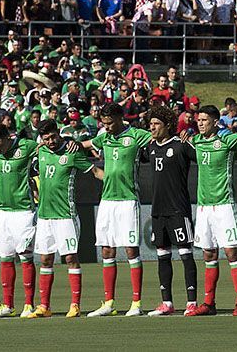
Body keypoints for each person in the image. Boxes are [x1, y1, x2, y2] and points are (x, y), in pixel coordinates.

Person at [80, 103, 152, 317]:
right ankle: (109, 302)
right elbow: (84, 144)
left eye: (110, 123)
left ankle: (136, 302)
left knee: (131, 250)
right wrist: (74, 145)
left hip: (128, 200)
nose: (107, 127)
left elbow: (159, 139)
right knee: (107, 250)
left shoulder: (137, 135)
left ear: (120, 118)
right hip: (107, 200)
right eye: (104, 123)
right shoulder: (104, 137)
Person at [29, 119, 104, 318]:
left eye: (53, 137)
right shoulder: (41, 152)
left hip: (66, 215)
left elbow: (95, 171)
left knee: (70, 258)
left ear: (59, 133)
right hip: (44, 216)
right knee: (45, 259)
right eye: (46, 139)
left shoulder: (72, 153)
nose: (50, 142)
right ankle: (44, 306)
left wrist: (114, 181)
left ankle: (75, 304)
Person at [186, 105, 237, 316]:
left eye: (204, 120)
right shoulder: (196, 141)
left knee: (231, 252)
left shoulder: (227, 140)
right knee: (208, 253)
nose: (200, 123)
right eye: (198, 120)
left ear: (214, 121)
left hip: (225, 205)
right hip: (204, 208)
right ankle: (208, 303)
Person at [141, 106, 199, 317]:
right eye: (151, 124)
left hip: (178, 209)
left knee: (185, 254)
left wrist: (191, 137)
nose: (152, 128)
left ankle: (191, 302)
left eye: (156, 124)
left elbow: (202, 158)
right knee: (162, 256)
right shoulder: (149, 147)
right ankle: (167, 303)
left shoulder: (181, 145)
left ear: (167, 126)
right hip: (158, 211)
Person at [0, 124, 40, 319]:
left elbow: (48, 146)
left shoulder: (26, 146)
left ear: (8, 137)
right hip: (3, 212)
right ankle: (7, 304)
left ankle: (28, 305)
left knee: (25, 256)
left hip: (24, 211)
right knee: (6, 258)